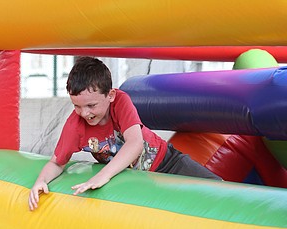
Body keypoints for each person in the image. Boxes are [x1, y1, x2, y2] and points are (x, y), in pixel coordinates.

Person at [28, 56, 221, 211]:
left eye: (91, 105)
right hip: (134, 178)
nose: (85, 113)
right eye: (77, 106)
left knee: (217, 188)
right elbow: (57, 161)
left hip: (167, 162)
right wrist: (40, 181)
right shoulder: (75, 125)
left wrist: (103, 175)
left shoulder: (120, 102)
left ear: (110, 95)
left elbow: (135, 144)